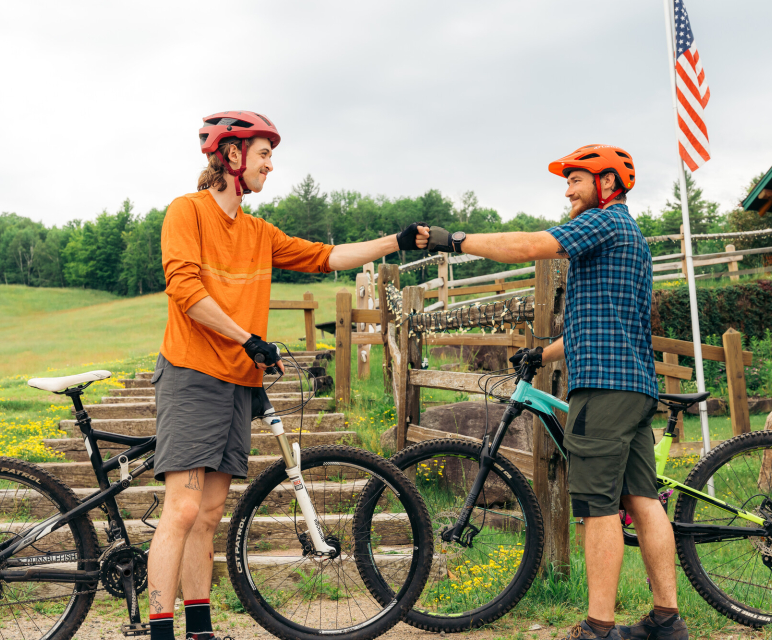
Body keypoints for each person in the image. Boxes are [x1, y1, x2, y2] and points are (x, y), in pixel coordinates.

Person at [146, 110, 431, 640]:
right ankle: (161, 633)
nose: (270, 166)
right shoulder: (186, 212)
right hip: (192, 373)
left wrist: (396, 241)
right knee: (182, 508)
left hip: (238, 382)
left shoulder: (258, 232)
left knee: (209, 516)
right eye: (264, 155)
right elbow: (185, 291)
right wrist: (247, 338)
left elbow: (327, 256)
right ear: (231, 156)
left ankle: (200, 630)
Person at [424, 145, 687, 640]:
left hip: (604, 391)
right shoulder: (628, 236)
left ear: (607, 184)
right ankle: (666, 621)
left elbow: (529, 246)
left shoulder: (604, 222)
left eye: (577, 180)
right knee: (643, 499)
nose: (567, 190)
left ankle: (599, 627)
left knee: (596, 507)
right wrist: (542, 356)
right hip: (632, 385)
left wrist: (455, 240)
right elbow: (599, 323)